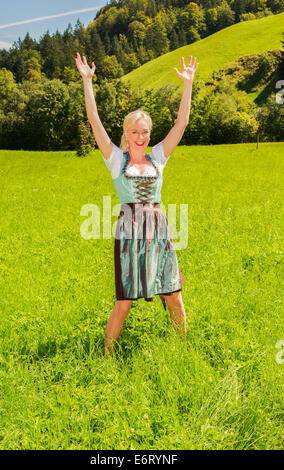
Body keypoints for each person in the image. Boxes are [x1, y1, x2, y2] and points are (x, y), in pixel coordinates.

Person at [75, 53, 199, 355]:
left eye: (145, 131)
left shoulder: (159, 156)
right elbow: (94, 122)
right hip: (130, 233)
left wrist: (187, 84)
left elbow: (182, 122)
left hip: (159, 230)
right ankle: (106, 356)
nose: (141, 137)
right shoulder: (116, 159)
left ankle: (183, 351)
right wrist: (87, 82)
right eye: (135, 132)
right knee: (125, 301)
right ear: (127, 135)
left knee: (174, 295)